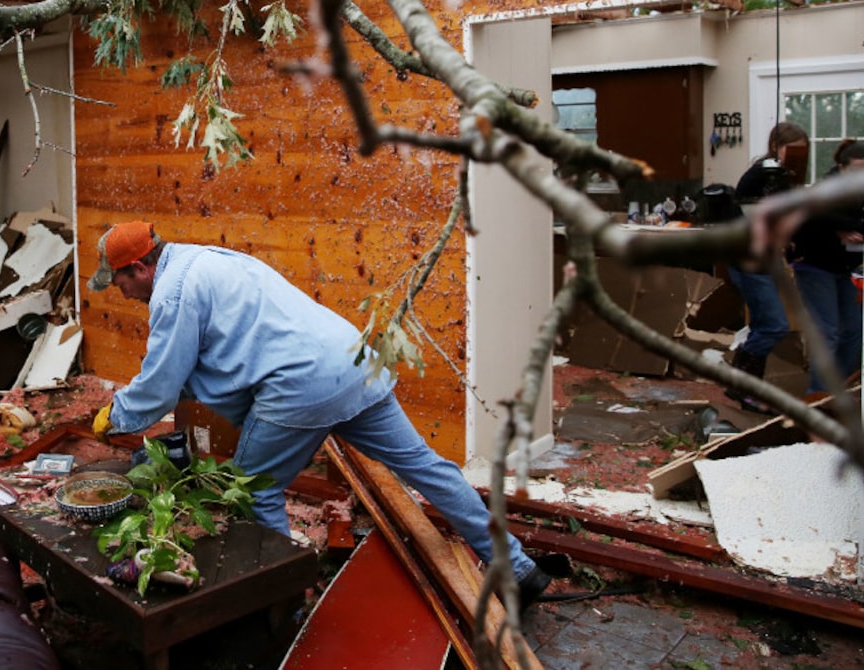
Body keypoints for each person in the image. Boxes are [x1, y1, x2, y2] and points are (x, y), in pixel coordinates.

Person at [87, 220, 554, 605]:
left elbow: (162, 381)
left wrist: (118, 416)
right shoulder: (208, 258)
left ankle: (288, 603)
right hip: (353, 365)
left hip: (300, 385)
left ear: (140, 267)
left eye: (120, 283)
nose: (122, 294)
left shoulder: (172, 292)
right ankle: (518, 567)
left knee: (253, 492)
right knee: (428, 468)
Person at [726, 121, 809, 414]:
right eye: (793, 148)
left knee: (765, 325)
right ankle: (740, 385)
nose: (799, 154)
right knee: (773, 326)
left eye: (803, 149)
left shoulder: (782, 176)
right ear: (776, 146)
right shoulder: (762, 174)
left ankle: (744, 388)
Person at [791, 139, 864, 392]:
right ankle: (819, 393)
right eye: (857, 170)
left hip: (843, 268)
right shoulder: (824, 191)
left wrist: (848, 229)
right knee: (827, 331)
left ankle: (840, 387)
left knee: (856, 330)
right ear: (841, 167)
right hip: (815, 266)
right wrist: (839, 229)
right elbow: (810, 216)